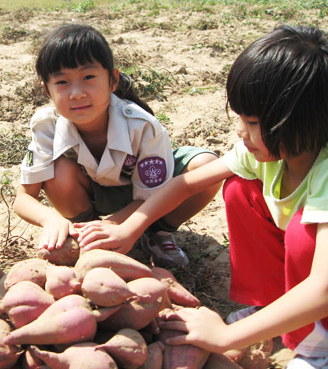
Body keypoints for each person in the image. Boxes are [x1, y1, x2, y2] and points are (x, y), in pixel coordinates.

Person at [100, 25, 327, 368]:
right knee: (240, 189)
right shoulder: (266, 151)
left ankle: (316, 344)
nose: (239, 131)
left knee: (302, 231)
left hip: (322, 291)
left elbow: (323, 289)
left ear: (297, 124)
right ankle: (270, 305)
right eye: (239, 117)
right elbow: (184, 185)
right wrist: (131, 227)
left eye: (251, 122)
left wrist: (226, 338)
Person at [13, 24, 220, 268]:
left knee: (206, 167)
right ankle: (90, 235)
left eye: (88, 77)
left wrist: (114, 222)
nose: (76, 93)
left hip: (151, 196)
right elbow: (23, 198)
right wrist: (50, 220)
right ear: (46, 89)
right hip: (95, 193)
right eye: (62, 82)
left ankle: (158, 233)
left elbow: (156, 194)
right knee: (59, 172)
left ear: (113, 80)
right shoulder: (46, 126)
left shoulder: (142, 125)